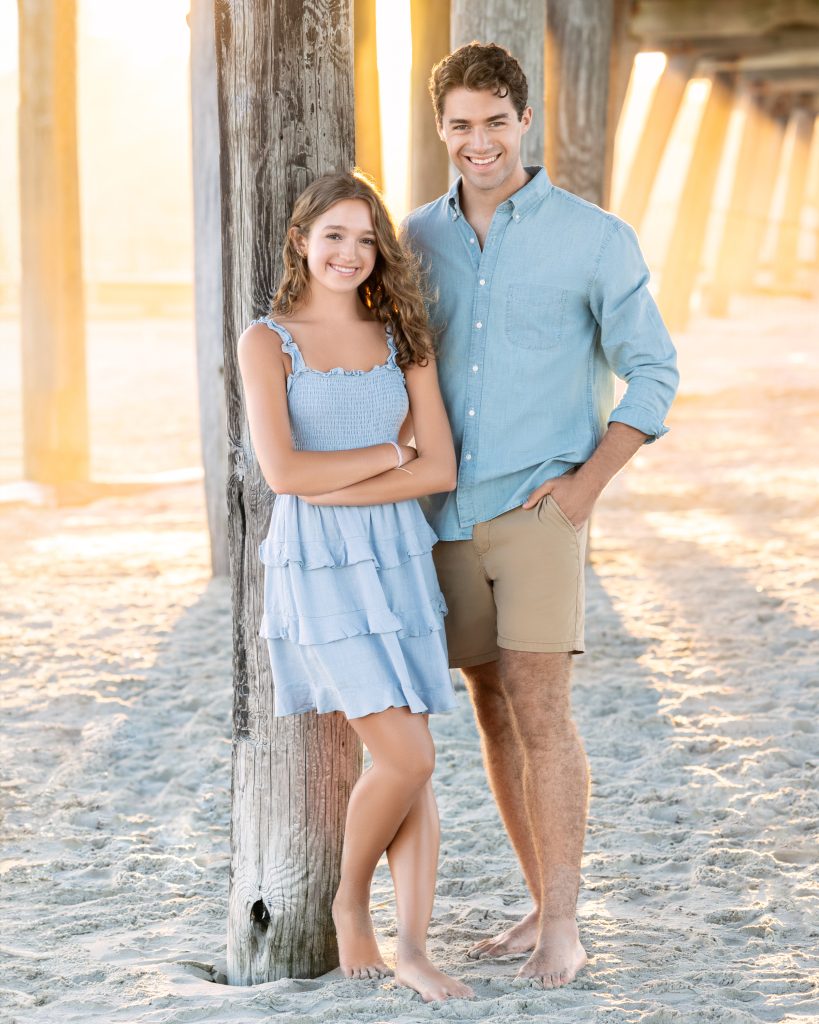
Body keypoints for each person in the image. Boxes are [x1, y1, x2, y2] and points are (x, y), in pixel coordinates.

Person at [401, 42, 679, 989]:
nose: (478, 142)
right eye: (459, 126)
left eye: (493, 122)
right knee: (488, 712)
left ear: (524, 120)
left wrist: (584, 487)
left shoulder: (594, 237)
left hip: (539, 510)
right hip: (438, 517)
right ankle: (534, 897)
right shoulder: (413, 239)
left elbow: (653, 371)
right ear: (442, 130)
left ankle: (564, 924)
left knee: (543, 711)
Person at [237, 171, 474, 1003]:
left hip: (396, 559)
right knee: (408, 754)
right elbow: (283, 472)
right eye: (333, 234)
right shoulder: (268, 341)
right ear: (301, 238)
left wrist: (346, 482)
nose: (348, 253)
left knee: (408, 767)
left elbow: (438, 465)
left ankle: (411, 945)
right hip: (319, 567)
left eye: (365, 239)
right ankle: (348, 904)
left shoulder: (401, 333)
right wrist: (384, 456)